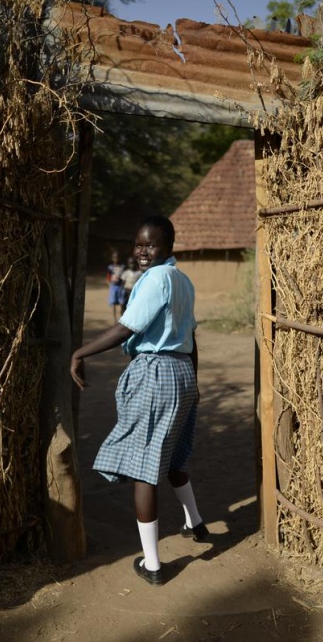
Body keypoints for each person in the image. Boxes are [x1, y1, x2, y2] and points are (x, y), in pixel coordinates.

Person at [71, 216, 210, 587]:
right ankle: (195, 522)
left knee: (144, 467)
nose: (142, 251)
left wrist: (80, 351)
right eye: (138, 244)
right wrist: (193, 383)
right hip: (181, 372)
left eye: (150, 245)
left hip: (156, 373)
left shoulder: (155, 280)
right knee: (174, 454)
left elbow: (125, 329)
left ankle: (152, 565)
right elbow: (191, 338)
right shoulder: (182, 280)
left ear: (168, 248)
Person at [106, 250, 126, 321]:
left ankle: (122, 317)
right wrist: (109, 283)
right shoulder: (110, 267)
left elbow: (124, 276)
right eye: (114, 258)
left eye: (117, 257)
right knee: (113, 302)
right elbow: (108, 276)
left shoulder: (123, 267)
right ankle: (114, 318)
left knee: (122, 301)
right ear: (112, 258)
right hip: (113, 286)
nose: (116, 259)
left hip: (121, 286)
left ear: (119, 258)